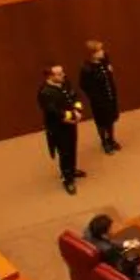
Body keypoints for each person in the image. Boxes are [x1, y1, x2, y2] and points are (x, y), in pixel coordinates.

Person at [37, 64, 87, 195]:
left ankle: (72, 169)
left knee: (72, 147)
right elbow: (53, 111)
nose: (63, 75)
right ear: (50, 76)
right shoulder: (45, 92)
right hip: (58, 127)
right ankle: (67, 179)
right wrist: (70, 116)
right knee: (64, 153)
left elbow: (75, 96)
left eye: (62, 72)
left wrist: (78, 110)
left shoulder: (65, 83)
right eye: (59, 74)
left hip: (71, 123)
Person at [79, 39, 121, 154]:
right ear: (92, 54)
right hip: (99, 100)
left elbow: (108, 70)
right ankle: (104, 142)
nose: (102, 52)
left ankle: (111, 139)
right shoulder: (87, 69)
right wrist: (95, 98)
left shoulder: (104, 59)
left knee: (111, 118)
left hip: (110, 95)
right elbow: (84, 85)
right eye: (99, 50)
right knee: (102, 122)